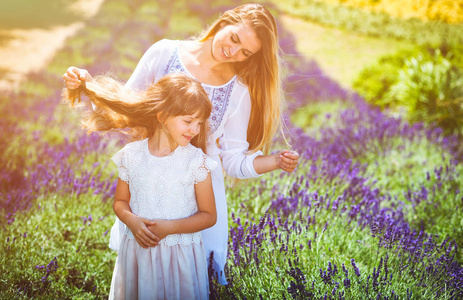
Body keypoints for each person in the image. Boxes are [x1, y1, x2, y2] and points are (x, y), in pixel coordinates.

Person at [63, 3, 299, 284]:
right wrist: (90, 87)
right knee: (142, 273)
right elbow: (129, 108)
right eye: (234, 39)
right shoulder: (164, 52)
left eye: (245, 52)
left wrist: (273, 161)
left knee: (185, 277)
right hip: (150, 187)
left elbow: (233, 161)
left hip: (196, 202)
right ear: (225, 21)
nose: (233, 52)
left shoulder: (238, 92)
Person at [64, 72, 217, 299]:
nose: (194, 130)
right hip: (138, 253)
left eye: (198, 123)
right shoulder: (132, 155)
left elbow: (209, 215)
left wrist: (168, 228)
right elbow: (120, 202)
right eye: (188, 121)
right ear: (163, 115)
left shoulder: (196, 162)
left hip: (179, 256)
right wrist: (132, 221)